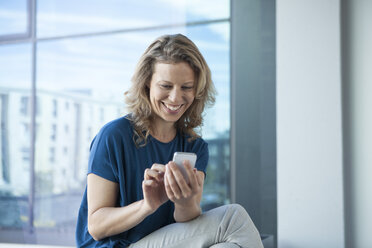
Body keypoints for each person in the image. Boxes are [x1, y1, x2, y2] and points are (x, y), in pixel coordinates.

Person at [76, 34, 263, 248]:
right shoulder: (113, 136)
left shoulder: (194, 147)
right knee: (233, 218)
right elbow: (96, 226)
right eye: (165, 86)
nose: (175, 98)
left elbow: (187, 223)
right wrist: (147, 205)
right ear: (147, 84)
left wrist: (184, 201)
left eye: (186, 87)